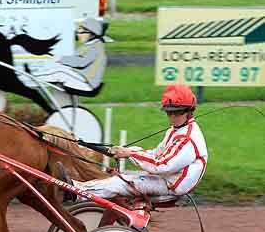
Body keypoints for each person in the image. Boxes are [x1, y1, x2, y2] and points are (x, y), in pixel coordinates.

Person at [58, 84, 208, 200]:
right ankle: (77, 188)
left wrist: (129, 153)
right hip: (166, 178)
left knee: (121, 182)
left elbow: (160, 165)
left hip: (171, 185)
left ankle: (74, 192)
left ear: (189, 110)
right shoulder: (177, 130)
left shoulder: (187, 138)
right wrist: (127, 151)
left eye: (178, 112)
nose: (173, 116)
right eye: (169, 112)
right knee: (118, 177)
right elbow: (156, 154)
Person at [33, 17, 108, 98]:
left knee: (60, 72)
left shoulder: (95, 48)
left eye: (81, 32)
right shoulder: (89, 45)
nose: (78, 34)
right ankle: (37, 77)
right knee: (60, 69)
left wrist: (60, 59)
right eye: (78, 31)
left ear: (92, 34)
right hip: (82, 79)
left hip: (87, 84)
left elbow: (81, 62)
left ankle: (33, 79)